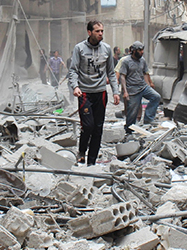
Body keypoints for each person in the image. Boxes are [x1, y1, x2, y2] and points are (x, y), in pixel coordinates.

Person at [68, 20, 120, 165]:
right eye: (97, 31)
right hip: (84, 93)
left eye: (102, 31)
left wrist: (116, 92)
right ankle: (82, 150)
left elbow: (111, 72)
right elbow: (73, 70)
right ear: (89, 32)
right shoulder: (79, 48)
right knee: (88, 125)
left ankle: (91, 161)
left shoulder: (107, 49)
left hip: (101, 93)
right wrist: (75, 86)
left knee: (98, 128)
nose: (100, 34)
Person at [120, 41, 161, 136]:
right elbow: (122, 77)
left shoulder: (142, 60)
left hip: (143, 87)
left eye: (142, 50)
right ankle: (129, 129)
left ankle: (148, 119)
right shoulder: (126, 61)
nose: (142, 52)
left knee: (156, 97)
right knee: (132, 113)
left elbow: (145, 73)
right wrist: (125, 92)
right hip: (132, 90)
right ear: (133, 51)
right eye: (140, 50)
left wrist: (149, 84)